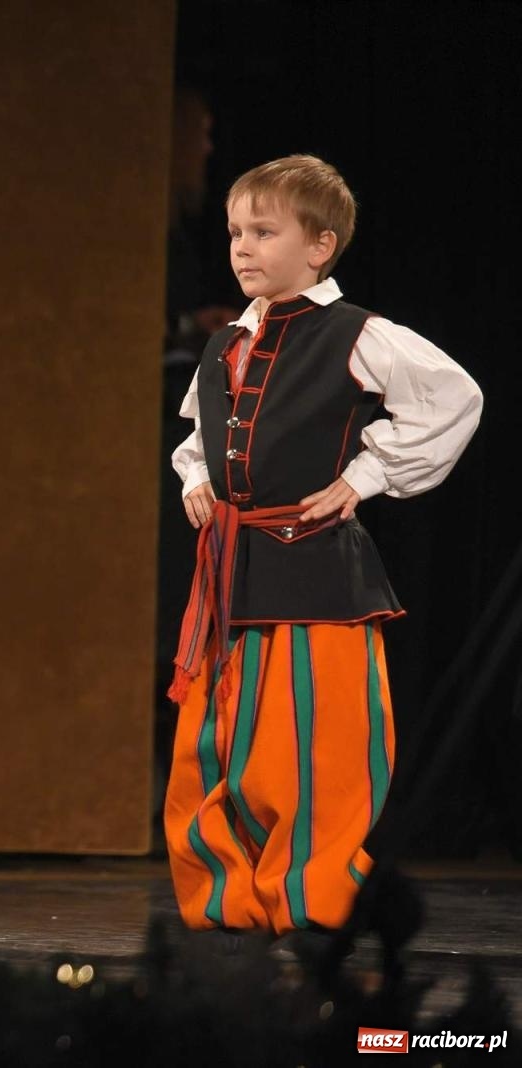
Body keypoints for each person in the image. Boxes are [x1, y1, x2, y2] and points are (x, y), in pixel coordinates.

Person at [163, 154, 482, 945]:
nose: (242, 246)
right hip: (231, 577)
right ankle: (227, 901)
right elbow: (199, 440)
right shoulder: (224, 343)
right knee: (217, 745)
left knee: (312, 749)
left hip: (314, 573)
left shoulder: (354, 333)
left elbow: (453, 398)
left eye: (264, 231)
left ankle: (314, 901)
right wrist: (196, 480)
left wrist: (367, 474)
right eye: (237, 231)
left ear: (320, 245)